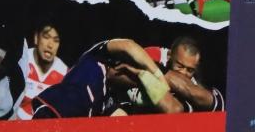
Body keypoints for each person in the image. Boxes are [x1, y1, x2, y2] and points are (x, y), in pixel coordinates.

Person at [29, 39, 171, 119]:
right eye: (130, 72)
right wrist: (159, 76)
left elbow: (125, 123)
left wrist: (144, 78)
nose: (130, 78)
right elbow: (128, 45)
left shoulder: (107, 100)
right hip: (54, 110)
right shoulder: (96, 57)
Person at [14, 23, 67, 119]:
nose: (50, 45)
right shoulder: (22, 60)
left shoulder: (64, 73)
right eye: (46, 37)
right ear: (36, 38)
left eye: (56, 41)